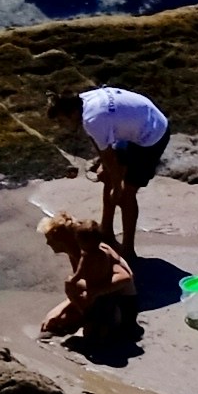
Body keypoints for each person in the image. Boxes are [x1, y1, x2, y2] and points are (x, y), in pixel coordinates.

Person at [62, 84, 170, 262]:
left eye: (62, 121)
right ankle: (106, 231)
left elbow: (110, 159)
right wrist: (105, 165)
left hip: (152, 134)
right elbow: (102, 147)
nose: (62, 126)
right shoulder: (84, 100)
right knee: (106, 176)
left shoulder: (91, 119)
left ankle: (128, 250)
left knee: (126, 194)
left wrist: (118, 188)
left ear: (72, 113)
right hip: (134, 126)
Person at [38, 203, 134, 341]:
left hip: (121, 299)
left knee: (67, 318)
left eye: (50, 239)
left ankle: (97, 322)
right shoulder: (75, 254)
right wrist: (62, 308)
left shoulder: (97, 252)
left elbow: (126, 277)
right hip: (99, 293)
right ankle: (89, 319)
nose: (48, 243)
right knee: (56, 319)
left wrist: (95, 292)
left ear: (63, 240)